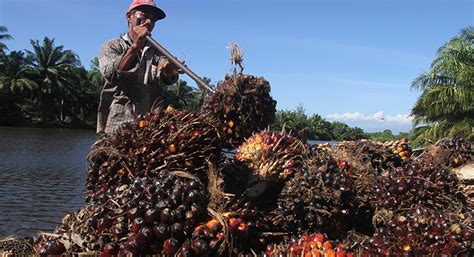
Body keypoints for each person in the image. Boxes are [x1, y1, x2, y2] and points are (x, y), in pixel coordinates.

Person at [97, 0, 180, 134]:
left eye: (153, 20)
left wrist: (169, 71)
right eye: (144, 16)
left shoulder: (157, 52)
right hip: (118, 125)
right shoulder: (112, 46)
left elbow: (167, 76)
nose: (148, 22)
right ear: (129, 17)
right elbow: (111, 74)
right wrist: (136, 46)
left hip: (149, 127)